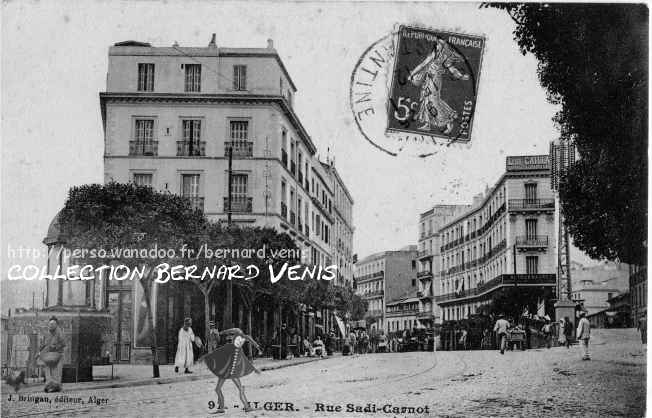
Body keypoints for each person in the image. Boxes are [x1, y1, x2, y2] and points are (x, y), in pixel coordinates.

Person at [408, 36, 470, 134]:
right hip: (428, 79)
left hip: (435, 81)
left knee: (433, 101)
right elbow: (423, 64)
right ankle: (427, 124)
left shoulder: (446, 56)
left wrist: (461, 76)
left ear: (444, 46)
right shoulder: (434, 54)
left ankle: (449, 121)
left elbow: (452, 69)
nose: (438, 46)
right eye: (437, 44)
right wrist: (412, 73)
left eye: (440, 44)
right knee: (426, 100)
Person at [201, 328, 262, 413]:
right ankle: (242, 407)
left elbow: (229, 333)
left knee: (220, 389)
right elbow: (251, 346)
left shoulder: (232, 346)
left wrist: (220, 333)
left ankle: (226, 408)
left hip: (229, 370)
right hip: (229, 369)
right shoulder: (236, 346)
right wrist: (258, 349)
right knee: (232, 389)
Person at [38, 316, 66, 392]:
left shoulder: (59, 332)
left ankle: (56, 386)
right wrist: (39, 351)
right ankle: (49, 385)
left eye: (53, 324)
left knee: (56, 371)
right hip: (48, 354)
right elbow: (43, 343)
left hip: (57, 355)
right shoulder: (47, 332)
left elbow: (63, 343)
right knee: (48, 370)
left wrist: (55, 347)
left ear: (56, 324)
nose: (51, 325)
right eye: (50, 324)